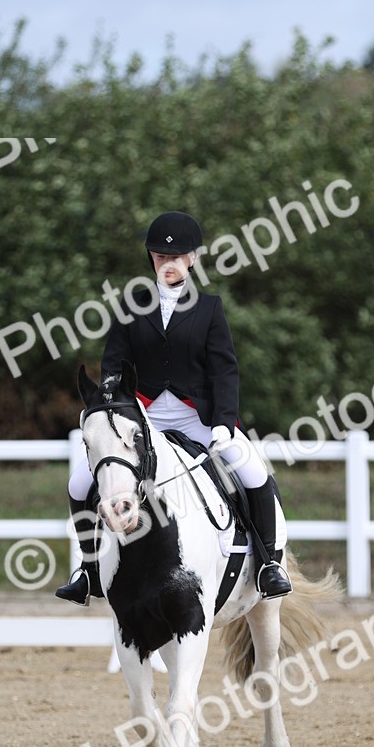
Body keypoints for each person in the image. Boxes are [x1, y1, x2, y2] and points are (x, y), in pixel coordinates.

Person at [56, 210, 292, 605]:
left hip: (196, 415)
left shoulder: (210, 308)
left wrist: (222, 423)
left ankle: (269, 563)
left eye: (177, 256)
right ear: (152, 258)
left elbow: (224, 370)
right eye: (161, 256)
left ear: (192, 258)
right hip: (143, 416)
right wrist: (112, 406)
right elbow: (113, 366)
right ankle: (87, 569)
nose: (168, 263)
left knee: (251, 469)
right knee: (79, 483)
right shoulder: (130, 306)